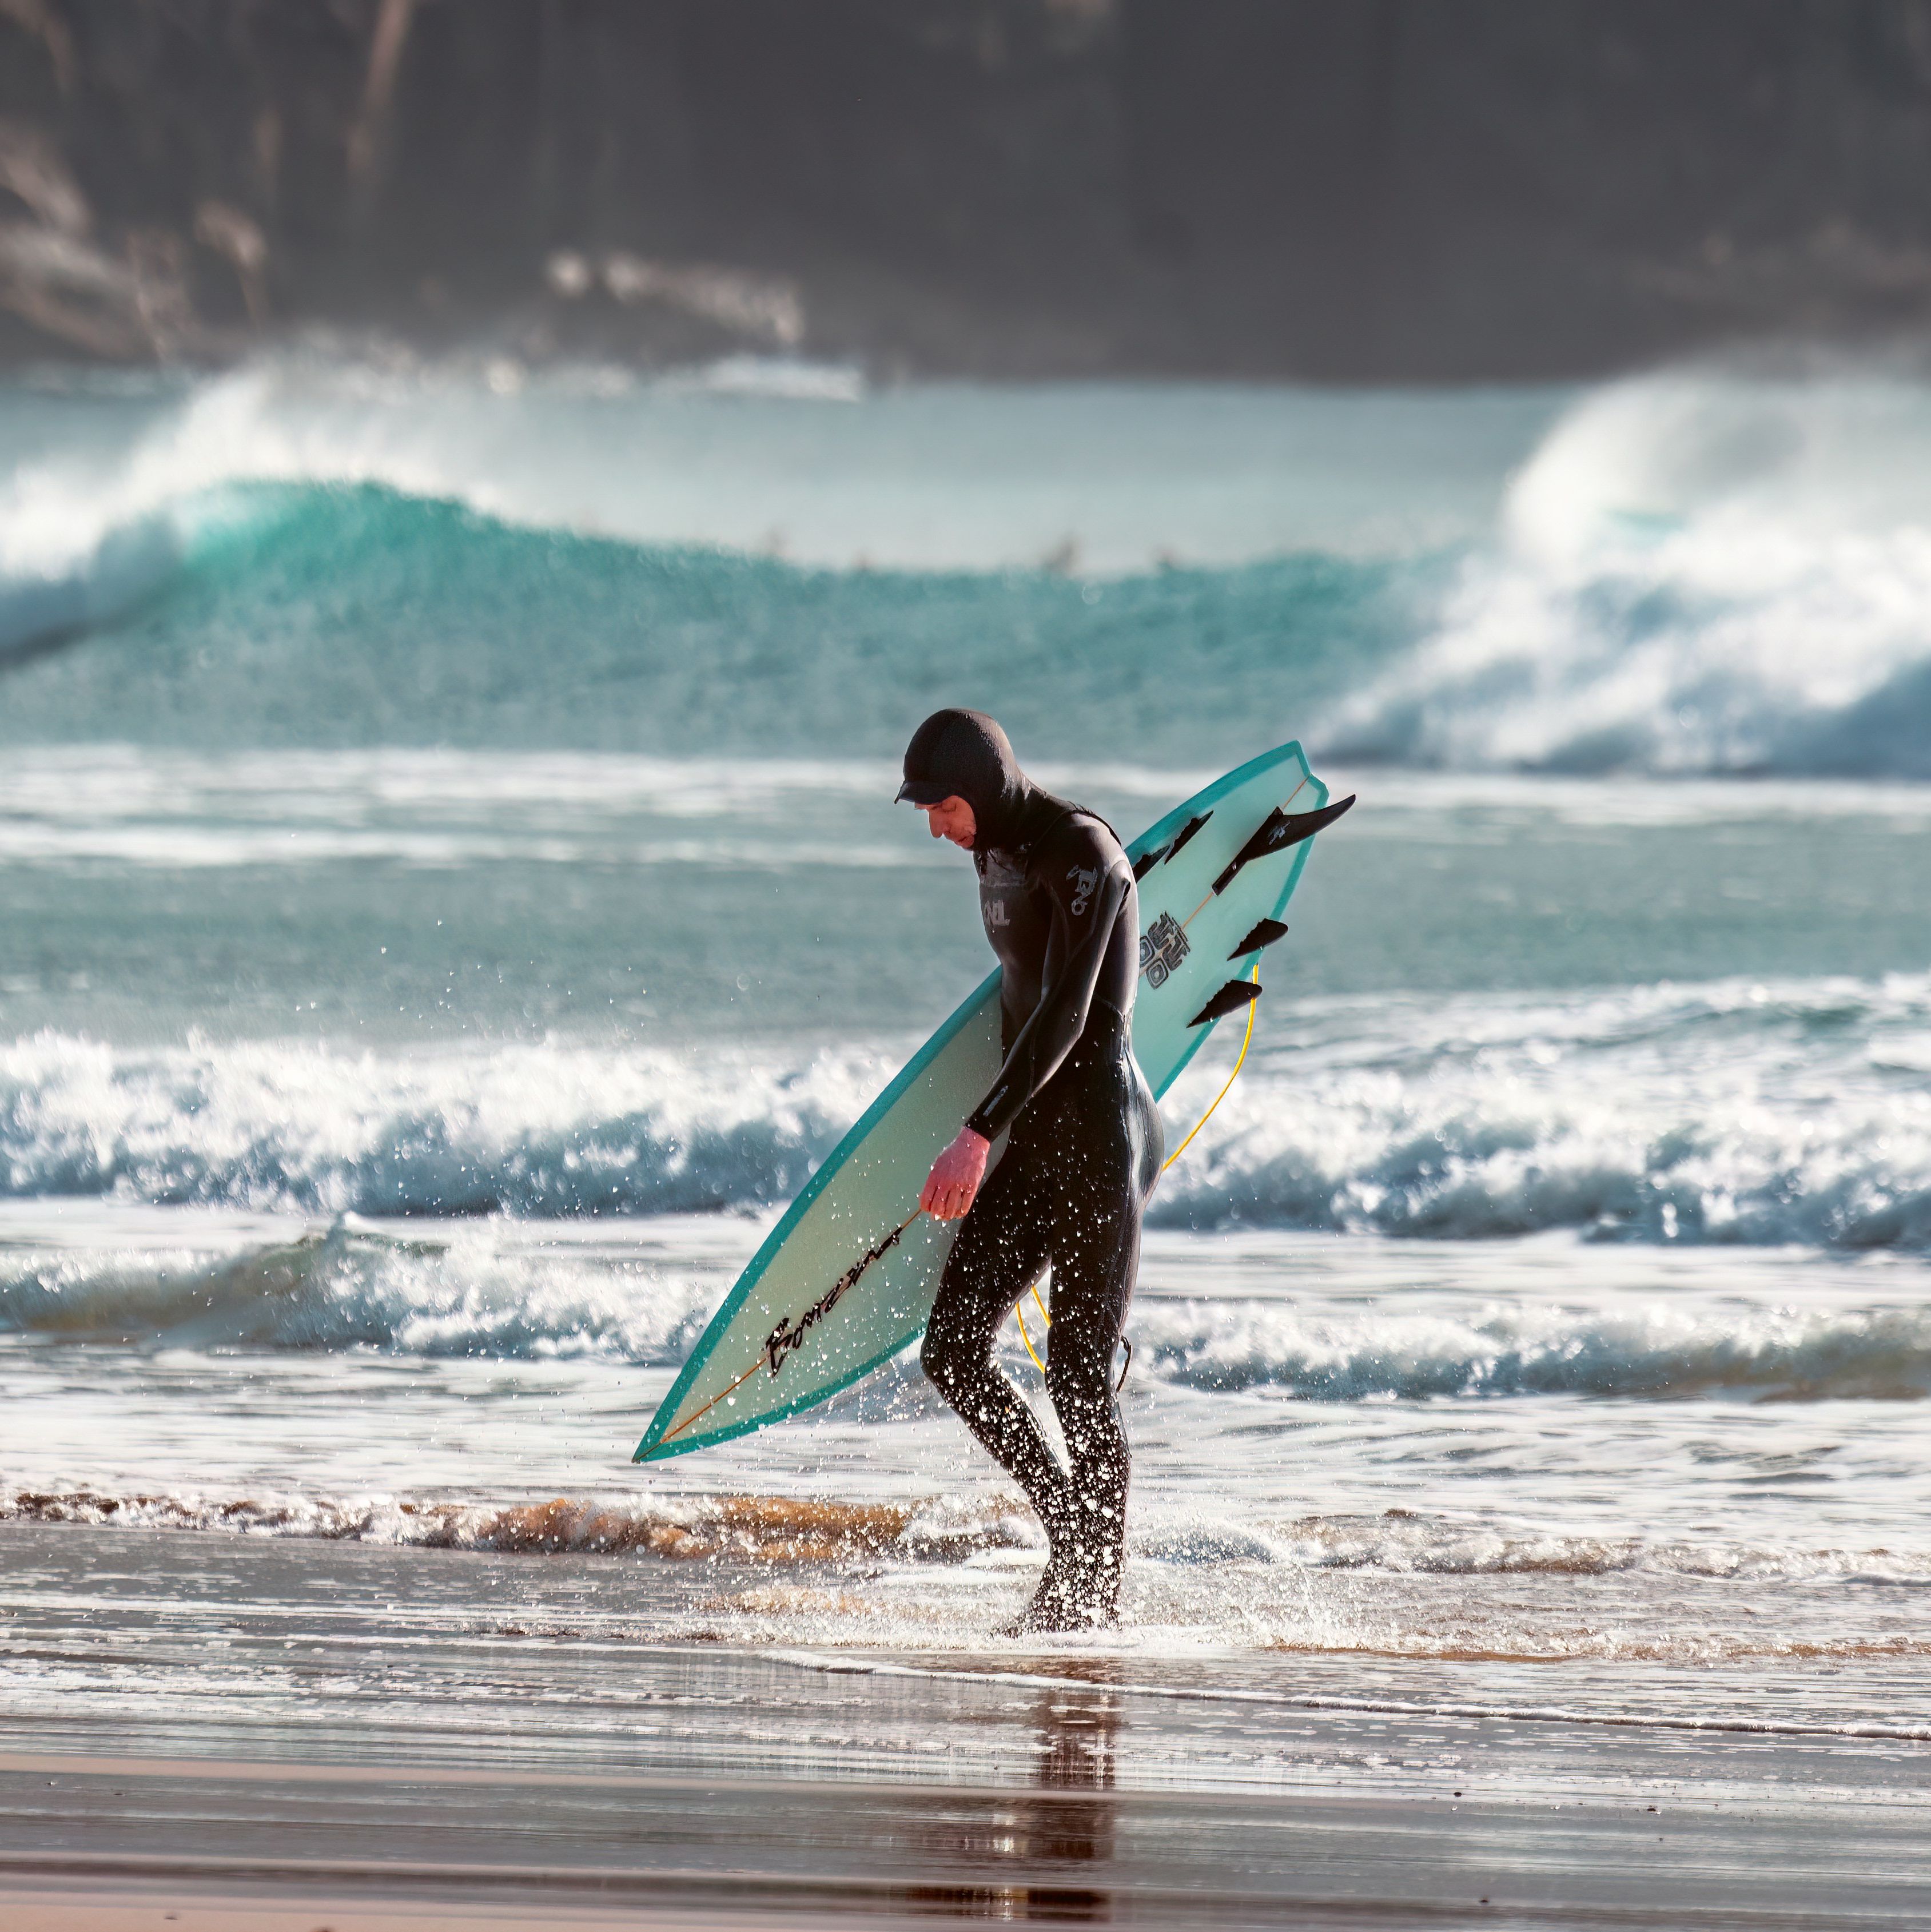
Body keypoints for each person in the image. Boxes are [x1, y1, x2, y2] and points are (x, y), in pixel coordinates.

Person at [897, 709, 1162, 1632]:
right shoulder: (994, 851)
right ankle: (1067, 1525)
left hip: (1097, 1138)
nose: (935, 824)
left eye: (943, 805)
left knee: (1080, 1378)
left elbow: (1065, 1010)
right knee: (953, 1349)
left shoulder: (1084, 852)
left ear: (984, 788)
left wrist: (977, 1133)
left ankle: (1093, 1590)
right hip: (1033, 1141)